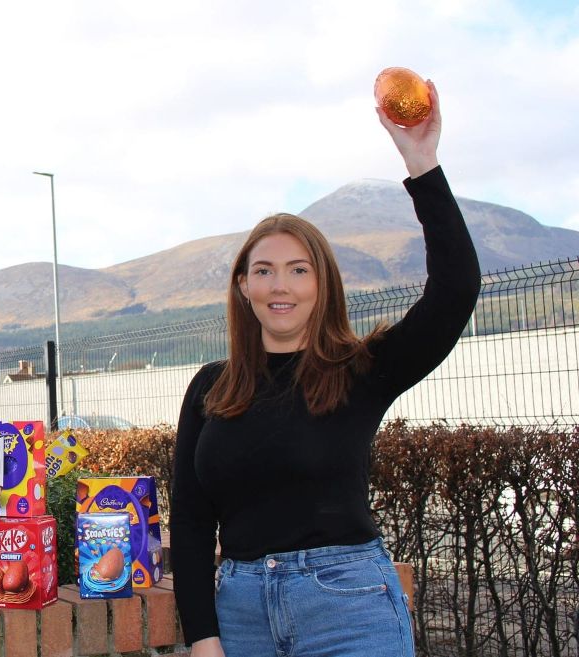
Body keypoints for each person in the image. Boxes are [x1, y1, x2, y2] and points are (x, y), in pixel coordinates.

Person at [169, 82, 479, 657]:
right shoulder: (210, 388)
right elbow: (189, 523)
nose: (279, 285)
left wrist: (422, 163)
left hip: (348, 607)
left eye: (298, 270)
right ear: (243, 285)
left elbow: (456, 289)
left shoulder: (362, 370)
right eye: (263, 270)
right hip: (241, 615)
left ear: (322, 285)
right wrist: (203, 639)